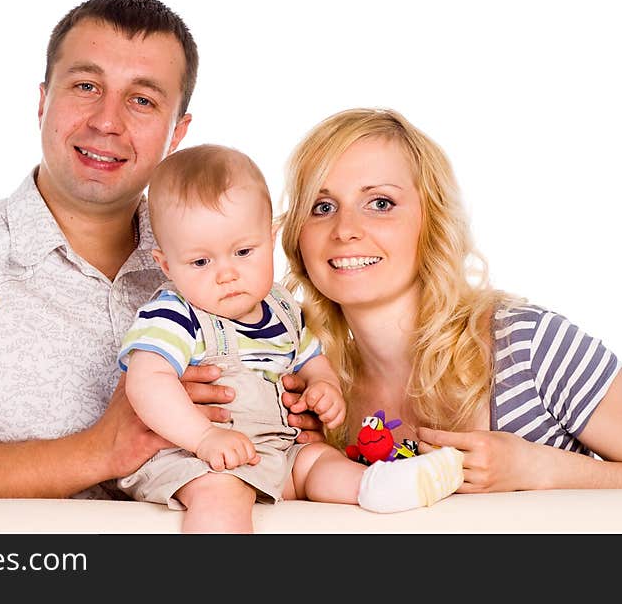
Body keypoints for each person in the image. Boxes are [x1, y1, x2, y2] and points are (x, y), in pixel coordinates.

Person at [0, 0, 323, 501]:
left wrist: (295, 423)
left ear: (176, 132)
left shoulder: (229, 262)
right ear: (43, 100)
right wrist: (100, 449)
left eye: (142, 100)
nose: (107, 121)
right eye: (86, 85)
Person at [279, 108, 622, 492]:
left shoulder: (530, 346)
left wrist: (542, 469)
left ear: (433, 221)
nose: (345, 230)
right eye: (322, 207)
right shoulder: (308, 389)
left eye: (380, 203)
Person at [116, 144, 464, 533]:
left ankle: (380, 486)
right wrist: (204, 437)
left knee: (318, 461)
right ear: (166, 264)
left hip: (278, 452)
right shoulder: (174, 315)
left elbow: (310, 358)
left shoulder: (282, 308)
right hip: (193, 458)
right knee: (221, 493)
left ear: (271, 238)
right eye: (200, 262)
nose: (226, 274)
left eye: (244, 251)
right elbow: (146, 382)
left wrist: (324, 386)